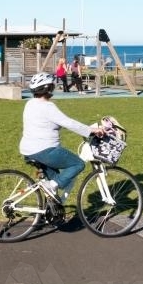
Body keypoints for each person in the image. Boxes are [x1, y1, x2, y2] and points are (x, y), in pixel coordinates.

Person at [20, 72, 102, 203]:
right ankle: (52, 186)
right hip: (45, 150)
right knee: (78, 164)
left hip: (28, 149)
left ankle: (49, 211)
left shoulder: (30, 103)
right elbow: (69, 123)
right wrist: (91, 130)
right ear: (48, 88)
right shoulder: (48, 107)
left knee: (55, 179)